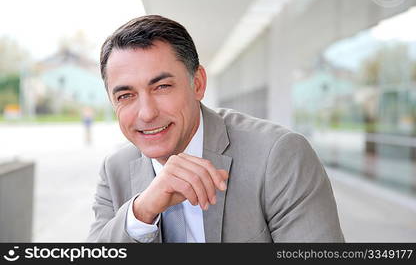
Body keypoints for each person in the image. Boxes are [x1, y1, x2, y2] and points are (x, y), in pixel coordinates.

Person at [87, 15, 344, 243]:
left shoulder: (279, 155)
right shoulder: (115, 169)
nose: (146, 113)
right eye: (125, 96)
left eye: (162, 87)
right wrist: (141, 212)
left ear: (197, 83)